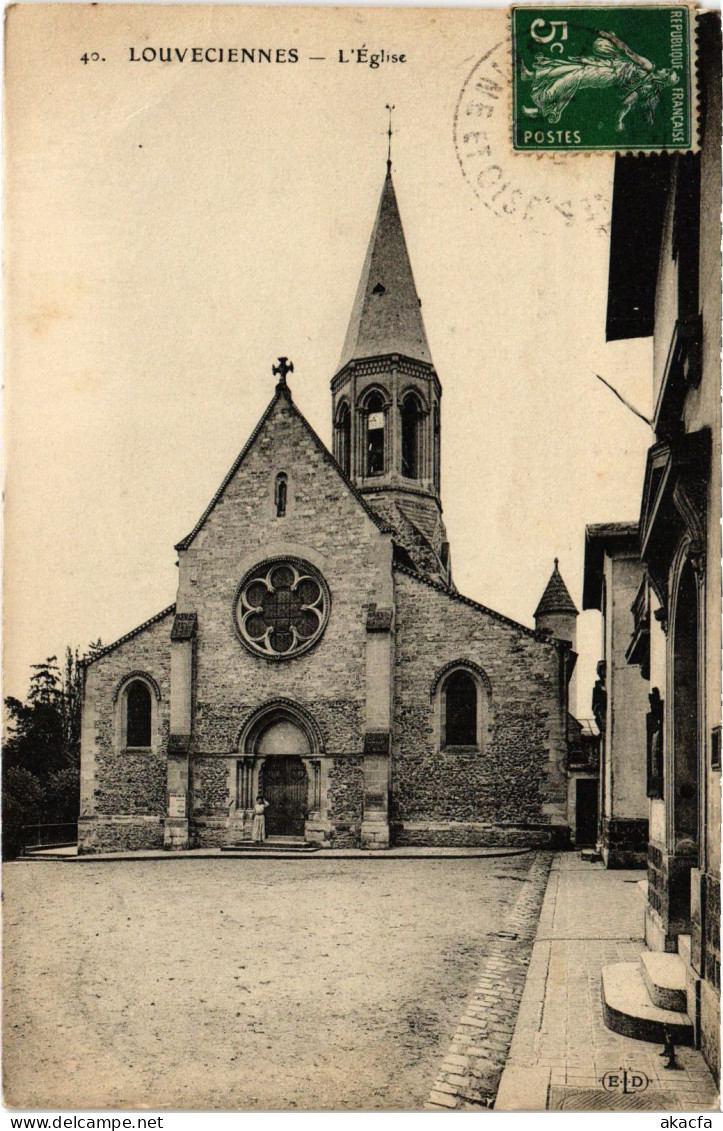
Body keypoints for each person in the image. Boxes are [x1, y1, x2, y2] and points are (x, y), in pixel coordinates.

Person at [520, 29, 678, 130]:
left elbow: (628, 52)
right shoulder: (647, 86)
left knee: (574, 77)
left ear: (664, 78)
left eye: (668, 72)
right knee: (572, 66)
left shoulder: (648, 67)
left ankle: (542, 109)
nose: (665, 69)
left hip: (608, 74)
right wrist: (619, 120)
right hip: (609, 65)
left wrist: (608, 36)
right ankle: (532, 75)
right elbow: (627, 102)